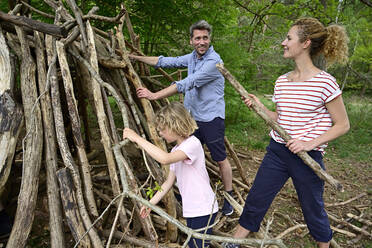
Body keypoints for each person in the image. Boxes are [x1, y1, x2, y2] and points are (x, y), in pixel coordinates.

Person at [222, 17, 350, 248]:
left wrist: (309, 144)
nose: (283, 42)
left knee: (313, 209)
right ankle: (232, 243)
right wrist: (260, 106)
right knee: (256, 198)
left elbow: (342, 125)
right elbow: (280, 119)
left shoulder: (325, 83)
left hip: (307, 157)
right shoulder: (282, 82)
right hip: (277, 151)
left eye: (288, 38)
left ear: (305, 43)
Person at [129, 20, 234, 216]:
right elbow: (166, 61)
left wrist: (153, 95)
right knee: (188, 157)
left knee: (220, 159)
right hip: (192, 119)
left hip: (211, 118)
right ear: (191, 41)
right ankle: (189, 193)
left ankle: (229, 197)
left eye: (205, 38)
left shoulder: (214, 61)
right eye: (198, 38)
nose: (202, 42)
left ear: (209, 39)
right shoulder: (192, 57)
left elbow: (187, 83)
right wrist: (135, 57)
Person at [123, 102, 219, 248]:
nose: (160, 133)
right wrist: (150, 203)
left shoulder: (193, 144)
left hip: (204, 208)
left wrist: (136, 138)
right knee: (194, 244)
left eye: (163, 129)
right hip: (192, 209)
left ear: (175, 125)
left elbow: (164, 159)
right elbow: (168, 182)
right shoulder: (176, 149)